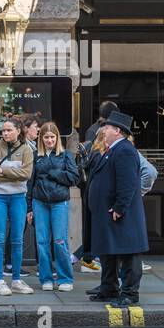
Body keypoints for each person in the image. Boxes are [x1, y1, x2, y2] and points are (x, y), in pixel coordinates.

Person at [85, 110, 148, 307]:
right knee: (108, 252)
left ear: (118, 131)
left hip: (120, 214)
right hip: (106, 213)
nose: (103, 130)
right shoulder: (112, 149)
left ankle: (130, 292)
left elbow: (127, 183)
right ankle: (109, 288)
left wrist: (119, 207)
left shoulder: (125, 151)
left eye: (107, 127)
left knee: (128, 253)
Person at [27, 121, 79, 291]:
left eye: (52, 137)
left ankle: (65, 278)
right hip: (39, 202)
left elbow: (73, 178)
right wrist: (29, 208)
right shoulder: (36, 156)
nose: (49, 140)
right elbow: (30, 184)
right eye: (46, 137)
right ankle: (46, 278)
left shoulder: (66, 156)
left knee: (59, 241)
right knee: (42, 242)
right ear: (41, 138)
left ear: (57, 138)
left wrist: (55, 173)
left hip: (59, 203)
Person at [0, 116, 35, 296]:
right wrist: (15, 173)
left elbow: (27, 174)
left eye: (8, 130)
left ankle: (15, 280)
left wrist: (3, 170)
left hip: (17, 197)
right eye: (3, 130)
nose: (5, 133)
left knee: (17, 239)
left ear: (18, 130)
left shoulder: (26, 149)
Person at [74, 100, 118, 272]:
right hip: (94, 183)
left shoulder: (93, 129)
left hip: (93, 183)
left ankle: (88, 256)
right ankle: (89, 257)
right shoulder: (97, 131)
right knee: (95, 222)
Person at [126, 129, 159, 274]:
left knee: (129, 236)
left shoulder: (129, 153)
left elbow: (150, 172)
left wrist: (137, 193)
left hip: (125, 201)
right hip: (123, 200)